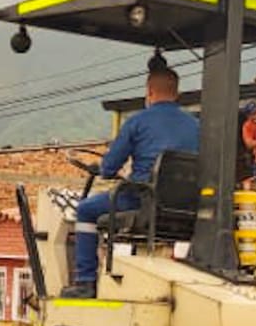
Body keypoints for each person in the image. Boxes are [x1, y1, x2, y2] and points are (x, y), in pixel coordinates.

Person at [63, 66, 200, 298]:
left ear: (149, 92)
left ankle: (85, 281)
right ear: (177, 93)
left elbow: (109, 168)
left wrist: (105, 169)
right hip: (185, 209)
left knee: (85, 210)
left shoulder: (137, 122)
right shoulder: (196, 125)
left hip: (142, 201)